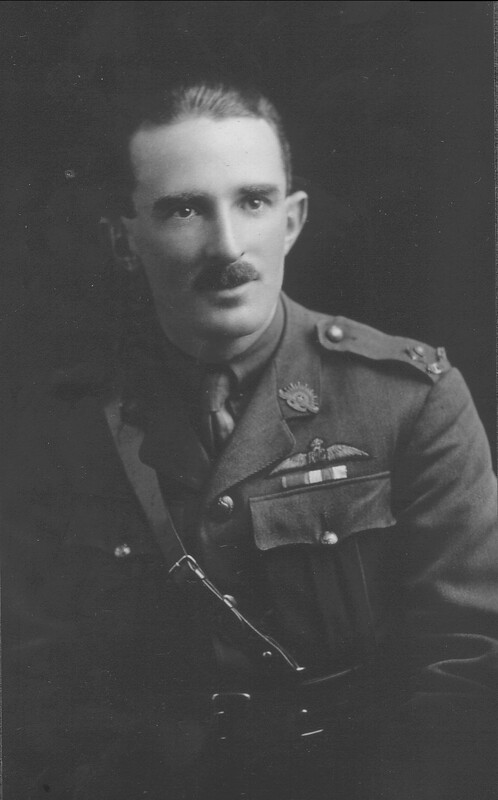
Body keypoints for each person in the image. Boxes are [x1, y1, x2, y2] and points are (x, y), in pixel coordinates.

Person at [2, 80, 497, 800]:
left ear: (292, 221)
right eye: (184, 209)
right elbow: (29, 680)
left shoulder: (409, 401)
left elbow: (472, 664)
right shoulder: (59, 426)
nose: (228, 245)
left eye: (254, 202)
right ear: (124, 240)